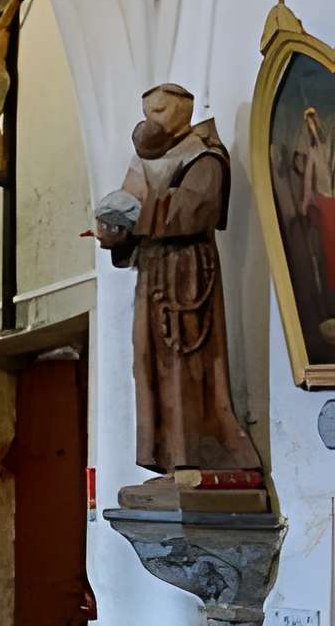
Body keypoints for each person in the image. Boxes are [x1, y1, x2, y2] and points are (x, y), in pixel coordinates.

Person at [94, 83, 260, 474]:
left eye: (160, 111)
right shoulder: (144, 159)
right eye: (147, 111)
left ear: (183, 112)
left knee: (184, 364)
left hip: (187, 272)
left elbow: (197, 207)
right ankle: (168, 457)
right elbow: (128, 200)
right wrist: (113, 228)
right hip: (152, 273)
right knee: (149, 362)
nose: (151, 120)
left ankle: (198, 456)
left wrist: (138, 214)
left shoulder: (204, 155)